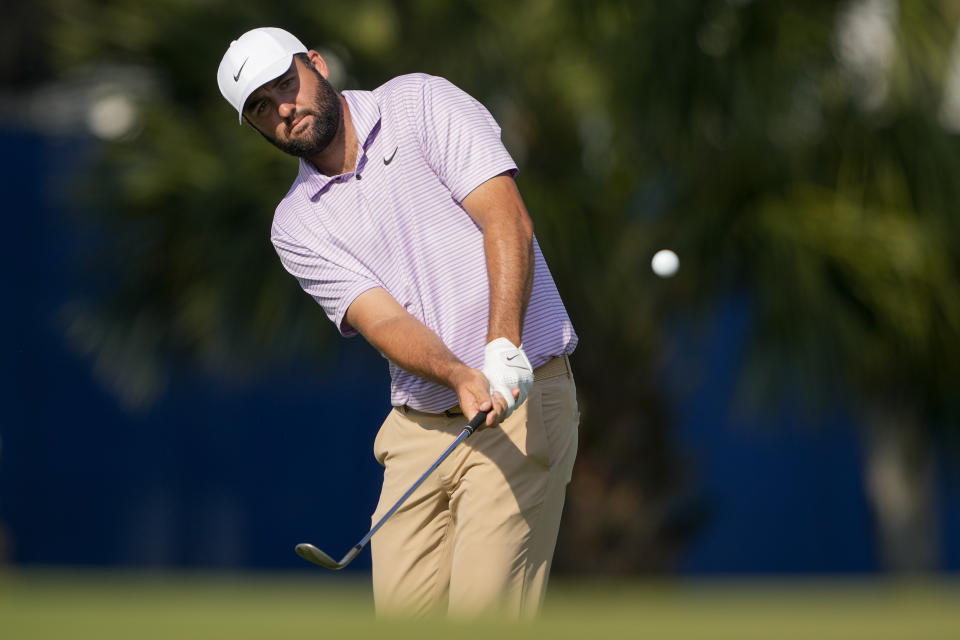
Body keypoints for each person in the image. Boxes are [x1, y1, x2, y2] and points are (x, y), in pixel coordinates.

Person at [217, 27, 579, 618]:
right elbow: (381, 317)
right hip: (417, 430)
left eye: (285, 84)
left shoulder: (421, 103)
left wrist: (502, 349)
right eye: (260, 107)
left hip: (520, 403)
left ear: (316, 65)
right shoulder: (295, 224)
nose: (283, 108)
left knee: (480, 619)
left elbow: (506, 221)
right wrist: (462, 376)